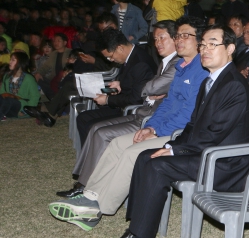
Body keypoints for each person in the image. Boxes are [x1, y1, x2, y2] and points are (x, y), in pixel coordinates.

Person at [50, 24, 249, 238]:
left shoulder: (232, 84)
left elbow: (214, 134)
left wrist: (174, 149)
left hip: (223, 162)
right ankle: (136, 232)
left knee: (157, 165)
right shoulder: (213, 79)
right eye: (204, 44)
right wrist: (174, 144)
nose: (205, 50)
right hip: (206, 152)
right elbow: (194, 125)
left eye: (212, 44)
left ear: (230, 48)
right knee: (146, 156)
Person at [48, 18, 207, 230]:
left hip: (179, 134)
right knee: (116, 144)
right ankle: (89, 195)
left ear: (199, 42)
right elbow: (167, 103)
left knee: (132, 152)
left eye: (185, 36)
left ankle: (96, 209)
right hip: (161, 126)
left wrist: (157, 130)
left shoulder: (201, 69)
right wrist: (150, 128)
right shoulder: (182, 66)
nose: (179, 40)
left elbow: (187, 113)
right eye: (177, 35)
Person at [52, 20, 182, 198]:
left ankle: (87, 184)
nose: (158, 42)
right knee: (95, 128)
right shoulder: (165, 61)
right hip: (142, 111)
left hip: (148, 116)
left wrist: (148, 91)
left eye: (162, 38)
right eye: (155, 38)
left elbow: (147, 89)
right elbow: (150, 89)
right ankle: (84, 179)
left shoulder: (176, 63)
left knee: (100, 132)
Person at [75, 29, 156, 146]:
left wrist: (107, 100)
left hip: (131, 111)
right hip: (122, 104)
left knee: (91, 125)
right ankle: (87, 156)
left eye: (110, 57)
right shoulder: (131, 56)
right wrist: (119, 84)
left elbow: (137, 99)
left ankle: (95, 159)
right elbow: (132, 81)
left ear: (120, 48)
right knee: (82, 118)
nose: (111, 60)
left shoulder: (140, 63)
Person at [0, 51, 40, 121]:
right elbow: (2, 93)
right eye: (10, 60)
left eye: (13, 60)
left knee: (9, 100)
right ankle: (3, 114)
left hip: (20, 107)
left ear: (20, 62)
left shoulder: (29, 79)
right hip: (7, 106)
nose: (10, 62)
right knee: (6, 100)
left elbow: (35, 97)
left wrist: (25, 111)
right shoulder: (7, 76)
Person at [35, 33, 71, 100]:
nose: (56, 43)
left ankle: (55, 98)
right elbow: (45, 67)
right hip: (53, 79)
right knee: (38, 78)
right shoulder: (53, 54)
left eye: (58, 41)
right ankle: (52, 97)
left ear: (65, 42)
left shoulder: (70, 52)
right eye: (54, 41)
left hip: (65, 79)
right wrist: (39, 73)